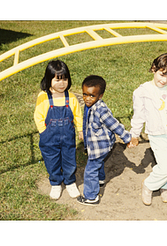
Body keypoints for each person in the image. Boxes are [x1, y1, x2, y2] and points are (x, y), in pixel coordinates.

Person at [128, 53, 167, 206]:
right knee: (165, 166)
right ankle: (149, 185)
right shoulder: (143, 91)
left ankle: (165, 186)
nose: (165, 80)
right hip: (157, 134)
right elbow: (139, 115)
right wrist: (134, 134)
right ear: (154, 69)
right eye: (162, 74)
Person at [77, 75, 132, 206]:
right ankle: (100, 179)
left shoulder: (101, 110)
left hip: (100, 146)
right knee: (98, 162)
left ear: (100, 96)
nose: (87, 98)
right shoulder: (88, 105)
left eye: (92, 96)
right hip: (96, 144)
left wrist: (127, 138)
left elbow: (115, 125)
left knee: (90, 170)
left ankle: (91, 197)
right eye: (84, 94)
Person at [34, 60, 83, 200]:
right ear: (49, 79)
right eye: (57, 79)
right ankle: (55, 183)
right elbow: (38, 116)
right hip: (48, 137)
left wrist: (80, 130)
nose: (62, 83)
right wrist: (43, 131)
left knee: (69, 159)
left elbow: (78, 115)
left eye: (65, 79)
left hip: (67, 137)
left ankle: (70, 182)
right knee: (52, 160)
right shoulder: (43, 97)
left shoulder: (71, 97)